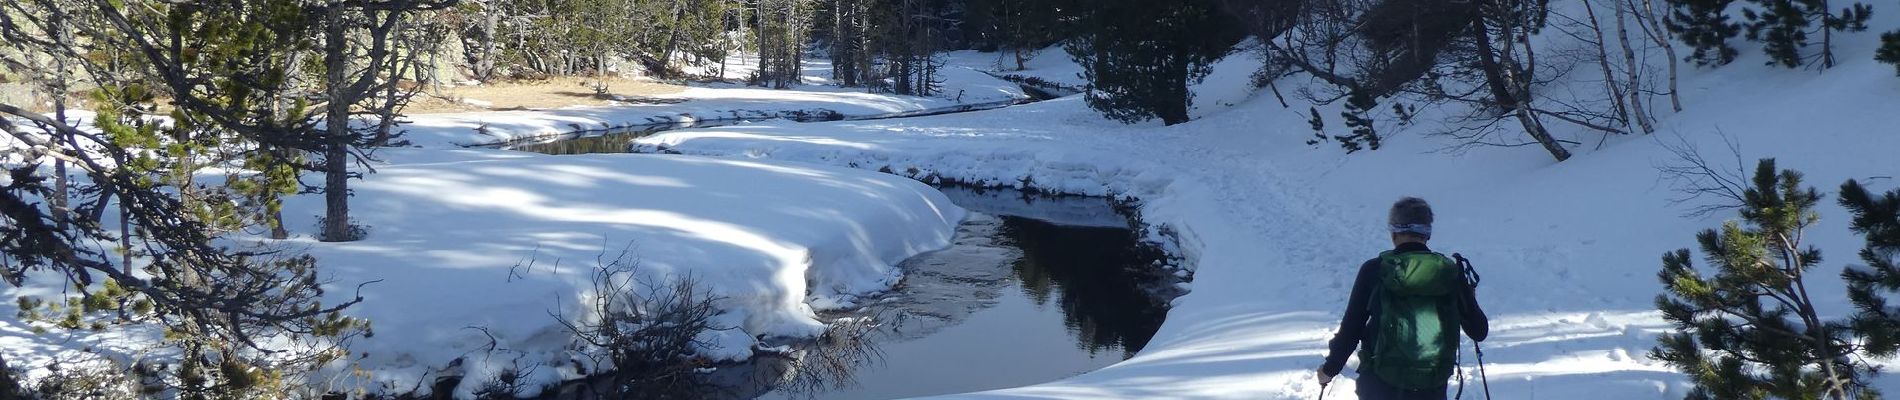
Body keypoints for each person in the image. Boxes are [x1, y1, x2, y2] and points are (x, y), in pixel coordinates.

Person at [1316, 197, 1488, 399]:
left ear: (1394, 232)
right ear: (1427, 233)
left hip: (1380, 384)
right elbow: (1479, 331)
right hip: (1431, 385)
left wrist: (1329, 369)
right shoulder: (1449, 272)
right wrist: (1469, 298)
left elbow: (1351, 328)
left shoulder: (1375, 270)